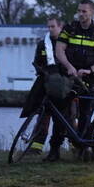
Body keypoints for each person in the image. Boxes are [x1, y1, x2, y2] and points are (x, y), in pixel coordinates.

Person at [48, 0, 94, 161]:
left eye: (84, 11)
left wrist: (90, 70)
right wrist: (68, 66)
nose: (81, 14)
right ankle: (54, 150)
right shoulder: (70, 28)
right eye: (79, 11)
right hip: (68, 77)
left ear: (92, 13)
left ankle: (82, 151)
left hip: (88, 78)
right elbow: (59, 50)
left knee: (85, 116)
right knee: (61, 114)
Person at [19, 16, 65, 152]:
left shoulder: (66, 44)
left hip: (63, 85)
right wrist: (41, 71)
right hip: (46, 84)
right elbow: (37, 61)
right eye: (48, 27)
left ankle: (76, 146)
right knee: (43, 116)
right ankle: (36, 147)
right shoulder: (42, 44)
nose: (50, 29)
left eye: (53, 26)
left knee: (67, 116)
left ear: (60, 27)